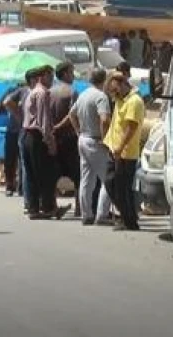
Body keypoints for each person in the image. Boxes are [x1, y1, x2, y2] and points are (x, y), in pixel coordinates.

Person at [66, 68, 113, 226]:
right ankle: (102, 214)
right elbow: (105, 119)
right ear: (104, 80)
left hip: (83, 139)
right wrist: (105, 139)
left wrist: (78, 131)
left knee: (87, 179)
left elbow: (71, 115)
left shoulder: (83, 94)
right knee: (108, 179)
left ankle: (86, 214)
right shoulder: (101, 97)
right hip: (95, 141)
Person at [22, 65, 66, 220]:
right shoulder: (42, 93)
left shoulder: (32, 92)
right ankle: (48, 208)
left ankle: (34, 208)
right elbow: (44, 121)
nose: (52, 80)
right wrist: (50, 142)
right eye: (50, 77)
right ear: (42, 77)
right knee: (46, 174)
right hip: (37, 137)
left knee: (33, 174)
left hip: (28, 136)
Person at [104, 71, 145, 231]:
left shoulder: (134, 101)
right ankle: (128, 216)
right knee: (111, 184)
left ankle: (129, 220)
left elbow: (131, 127)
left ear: (123, 85)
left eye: (116, 90)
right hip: (113, 149)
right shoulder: (121, 99)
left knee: (121, 187)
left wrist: (120, 147)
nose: (114, 94)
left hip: (125, 152)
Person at [50, 62, 80, 216]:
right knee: (77, 175)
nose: (73, 75)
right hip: (68, 137)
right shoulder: (72, 92)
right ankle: (79, 208)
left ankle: (53, 206)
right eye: (71, 72)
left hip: (53, 138)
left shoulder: (49, 92)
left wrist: (53, 129)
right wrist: (60, 126)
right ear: (65, 74)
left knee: (53, 174)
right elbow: (72, 115)